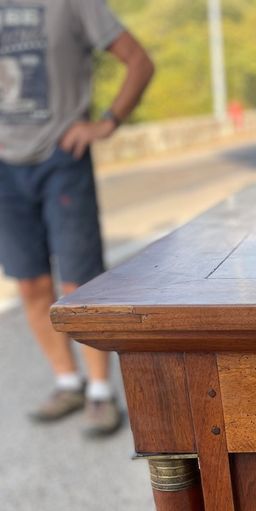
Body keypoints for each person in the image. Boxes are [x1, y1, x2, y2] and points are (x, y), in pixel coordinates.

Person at [0, 1, 154, 435]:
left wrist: (107, 123)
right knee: (30, 283)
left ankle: (101, 392)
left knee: (79, 284)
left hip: (62, 160)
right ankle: (67, 382)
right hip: (6, 170)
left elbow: (140, 62)